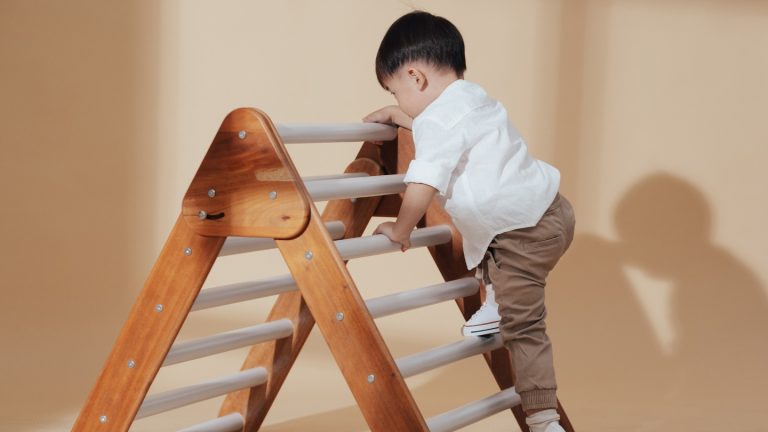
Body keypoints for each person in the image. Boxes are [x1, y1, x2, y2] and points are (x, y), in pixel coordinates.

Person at [363, 11, 575, 432]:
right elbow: (441, 126)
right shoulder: (472, 97)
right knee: (489, 245)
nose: (399, 100)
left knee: (525, 326)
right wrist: (400, 114)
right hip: (551, 211)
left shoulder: (438, 121)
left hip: (523, 234)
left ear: (415, 77)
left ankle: (542, 417)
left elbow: (424, 180)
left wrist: (401, 230)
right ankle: (495, 300)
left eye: (396, 90)